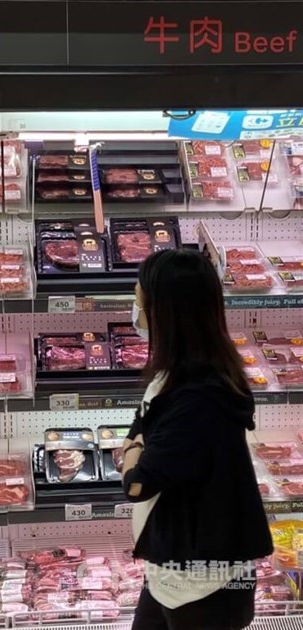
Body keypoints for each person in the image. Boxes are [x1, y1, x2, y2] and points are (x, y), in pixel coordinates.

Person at [122, 249, 273, 630]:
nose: (135, 309)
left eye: (139, 300)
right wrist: (135, 446)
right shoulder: (176, 373)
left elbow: (138, 482)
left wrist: (132, 451)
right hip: (174, 561)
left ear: (166, 313)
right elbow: (139, 429)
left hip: (205, 579)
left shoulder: (200, 396)